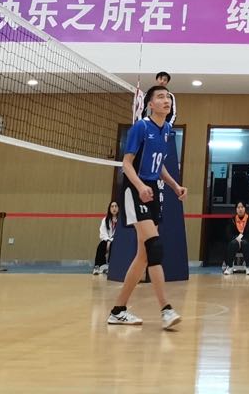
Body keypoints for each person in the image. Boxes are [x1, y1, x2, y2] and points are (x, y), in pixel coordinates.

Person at [107, 86, 188, 329]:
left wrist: (175, 186)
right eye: (160, 97)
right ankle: (166, 309)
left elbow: (159, 165)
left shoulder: (167, 131)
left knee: (143, 256)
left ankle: (118, 310)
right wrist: (140, 186)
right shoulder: (141, 127)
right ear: (150, 105)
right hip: (135, 188)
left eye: (168, 97)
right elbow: (126, 164)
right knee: (154, 246)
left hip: (151, 189)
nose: (166, 100)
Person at [223, 202, 249, 274]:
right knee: (233, 243)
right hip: (235, 241)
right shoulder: (232, 220)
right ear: (236, 209)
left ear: (245, 208)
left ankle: (248, 266)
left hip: (246, 241)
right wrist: (237, 239)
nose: (240, 209)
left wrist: (241, 239)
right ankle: (230, 266)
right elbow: (228, 234)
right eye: (238, 207)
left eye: (242, 207)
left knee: (245, 243)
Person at [93, 200, 119, 275]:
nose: (114, 208)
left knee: (113, 246)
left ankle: (111, 266)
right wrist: (108, 240)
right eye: (112, 206)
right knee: (101, 245)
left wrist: (110, 241)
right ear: (109, 209)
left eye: (116, 206)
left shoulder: (121, 221)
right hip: (106, 240)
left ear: (118, 208)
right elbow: (102, 232)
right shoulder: (105, 220)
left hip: (116, 241)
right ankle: (98, 266)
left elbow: (119, 234)